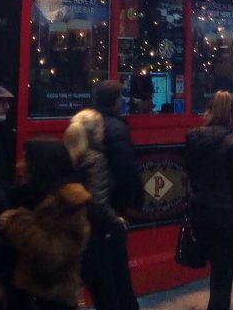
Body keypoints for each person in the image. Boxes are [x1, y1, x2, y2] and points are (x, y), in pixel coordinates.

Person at [0, 136, 90, 310]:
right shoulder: (21, 195)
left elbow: (51, 256)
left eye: (26, 159)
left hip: (48, 301)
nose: (19, 165)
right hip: (19, 297)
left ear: (41, 165)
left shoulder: (69, 205)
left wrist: (16, 221)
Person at [185, 90, 233, 310]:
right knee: (222, 277)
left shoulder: (193, 137)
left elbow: (189, 172)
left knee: (213, 268)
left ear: (209, 111)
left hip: (199, 213)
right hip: (225, 216)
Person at [64, 108, 128, 310]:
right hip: (94, 237)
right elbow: (97, 203)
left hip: (72, 234)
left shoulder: (70, 155)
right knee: (107, 296)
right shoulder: (95, 159)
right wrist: (117, 224)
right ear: (96, 132)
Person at [95, 80, 145, 310]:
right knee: (118, 270)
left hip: (93, 207)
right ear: (115, 101)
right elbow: (125, 169)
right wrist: (132, 201)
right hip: (113, 207)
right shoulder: (116, 127)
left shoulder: (87, 123)